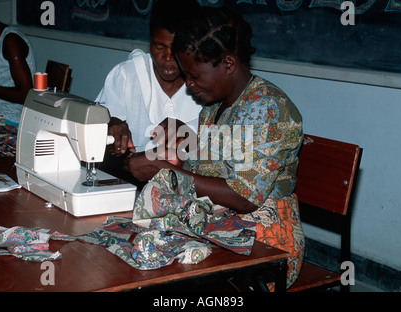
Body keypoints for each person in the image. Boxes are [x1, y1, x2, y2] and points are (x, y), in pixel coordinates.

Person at [123, 6, 304, 289]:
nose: (188, 85)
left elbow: (244, 197)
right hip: (218, 222)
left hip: (264, 242)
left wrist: (166, 171)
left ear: (229, 64)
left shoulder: (268, 109)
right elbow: (214, 167)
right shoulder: (217, 104)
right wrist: (180, 146)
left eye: (193, 75)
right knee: (133, 255)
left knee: (163, 282)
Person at [95, 0, 202, 183]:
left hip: (190, 191)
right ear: (150, 39)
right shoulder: (127, 75)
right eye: (159, 47)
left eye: (177, 50)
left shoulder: (208, 84)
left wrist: (190, 139)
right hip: (130, 184)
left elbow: (222, 158)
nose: (167, 59)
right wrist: (109, 123)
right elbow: (96, 128)